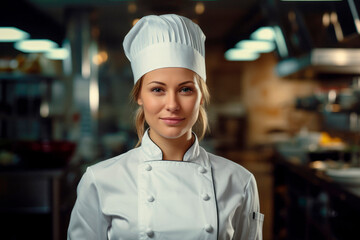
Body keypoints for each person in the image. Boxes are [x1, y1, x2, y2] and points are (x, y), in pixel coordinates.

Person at [67, 14, 264, 240]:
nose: (172, 105)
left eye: (185, 89)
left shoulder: (239, 181)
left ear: (201, 97)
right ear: (139, 96)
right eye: (158, 90)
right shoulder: (99, 181)